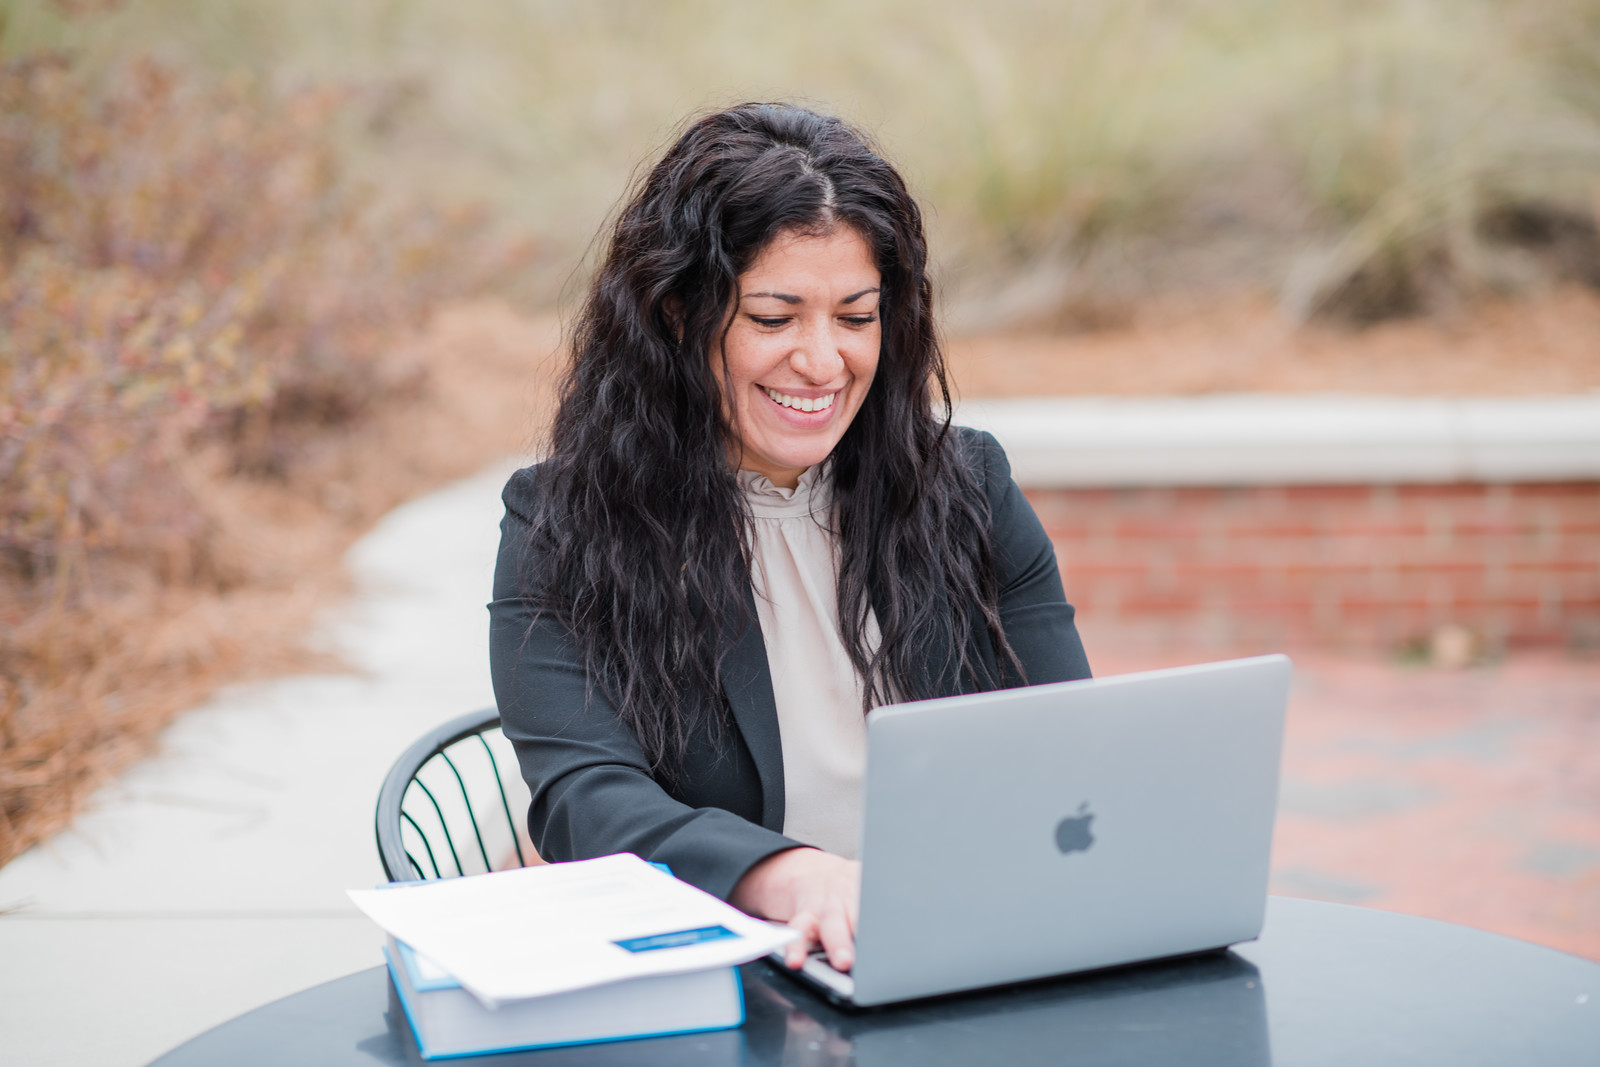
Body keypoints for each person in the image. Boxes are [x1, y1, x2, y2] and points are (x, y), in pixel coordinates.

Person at [489, 102, 1090, 975]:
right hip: (732, 976)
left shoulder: (968, 487)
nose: (822, 360)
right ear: (675, 316)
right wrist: (782, 873)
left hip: (966, 948)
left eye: (856, 316)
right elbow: (586, 800)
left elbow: (1068, 740)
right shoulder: (564, 523)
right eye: (775, 318)